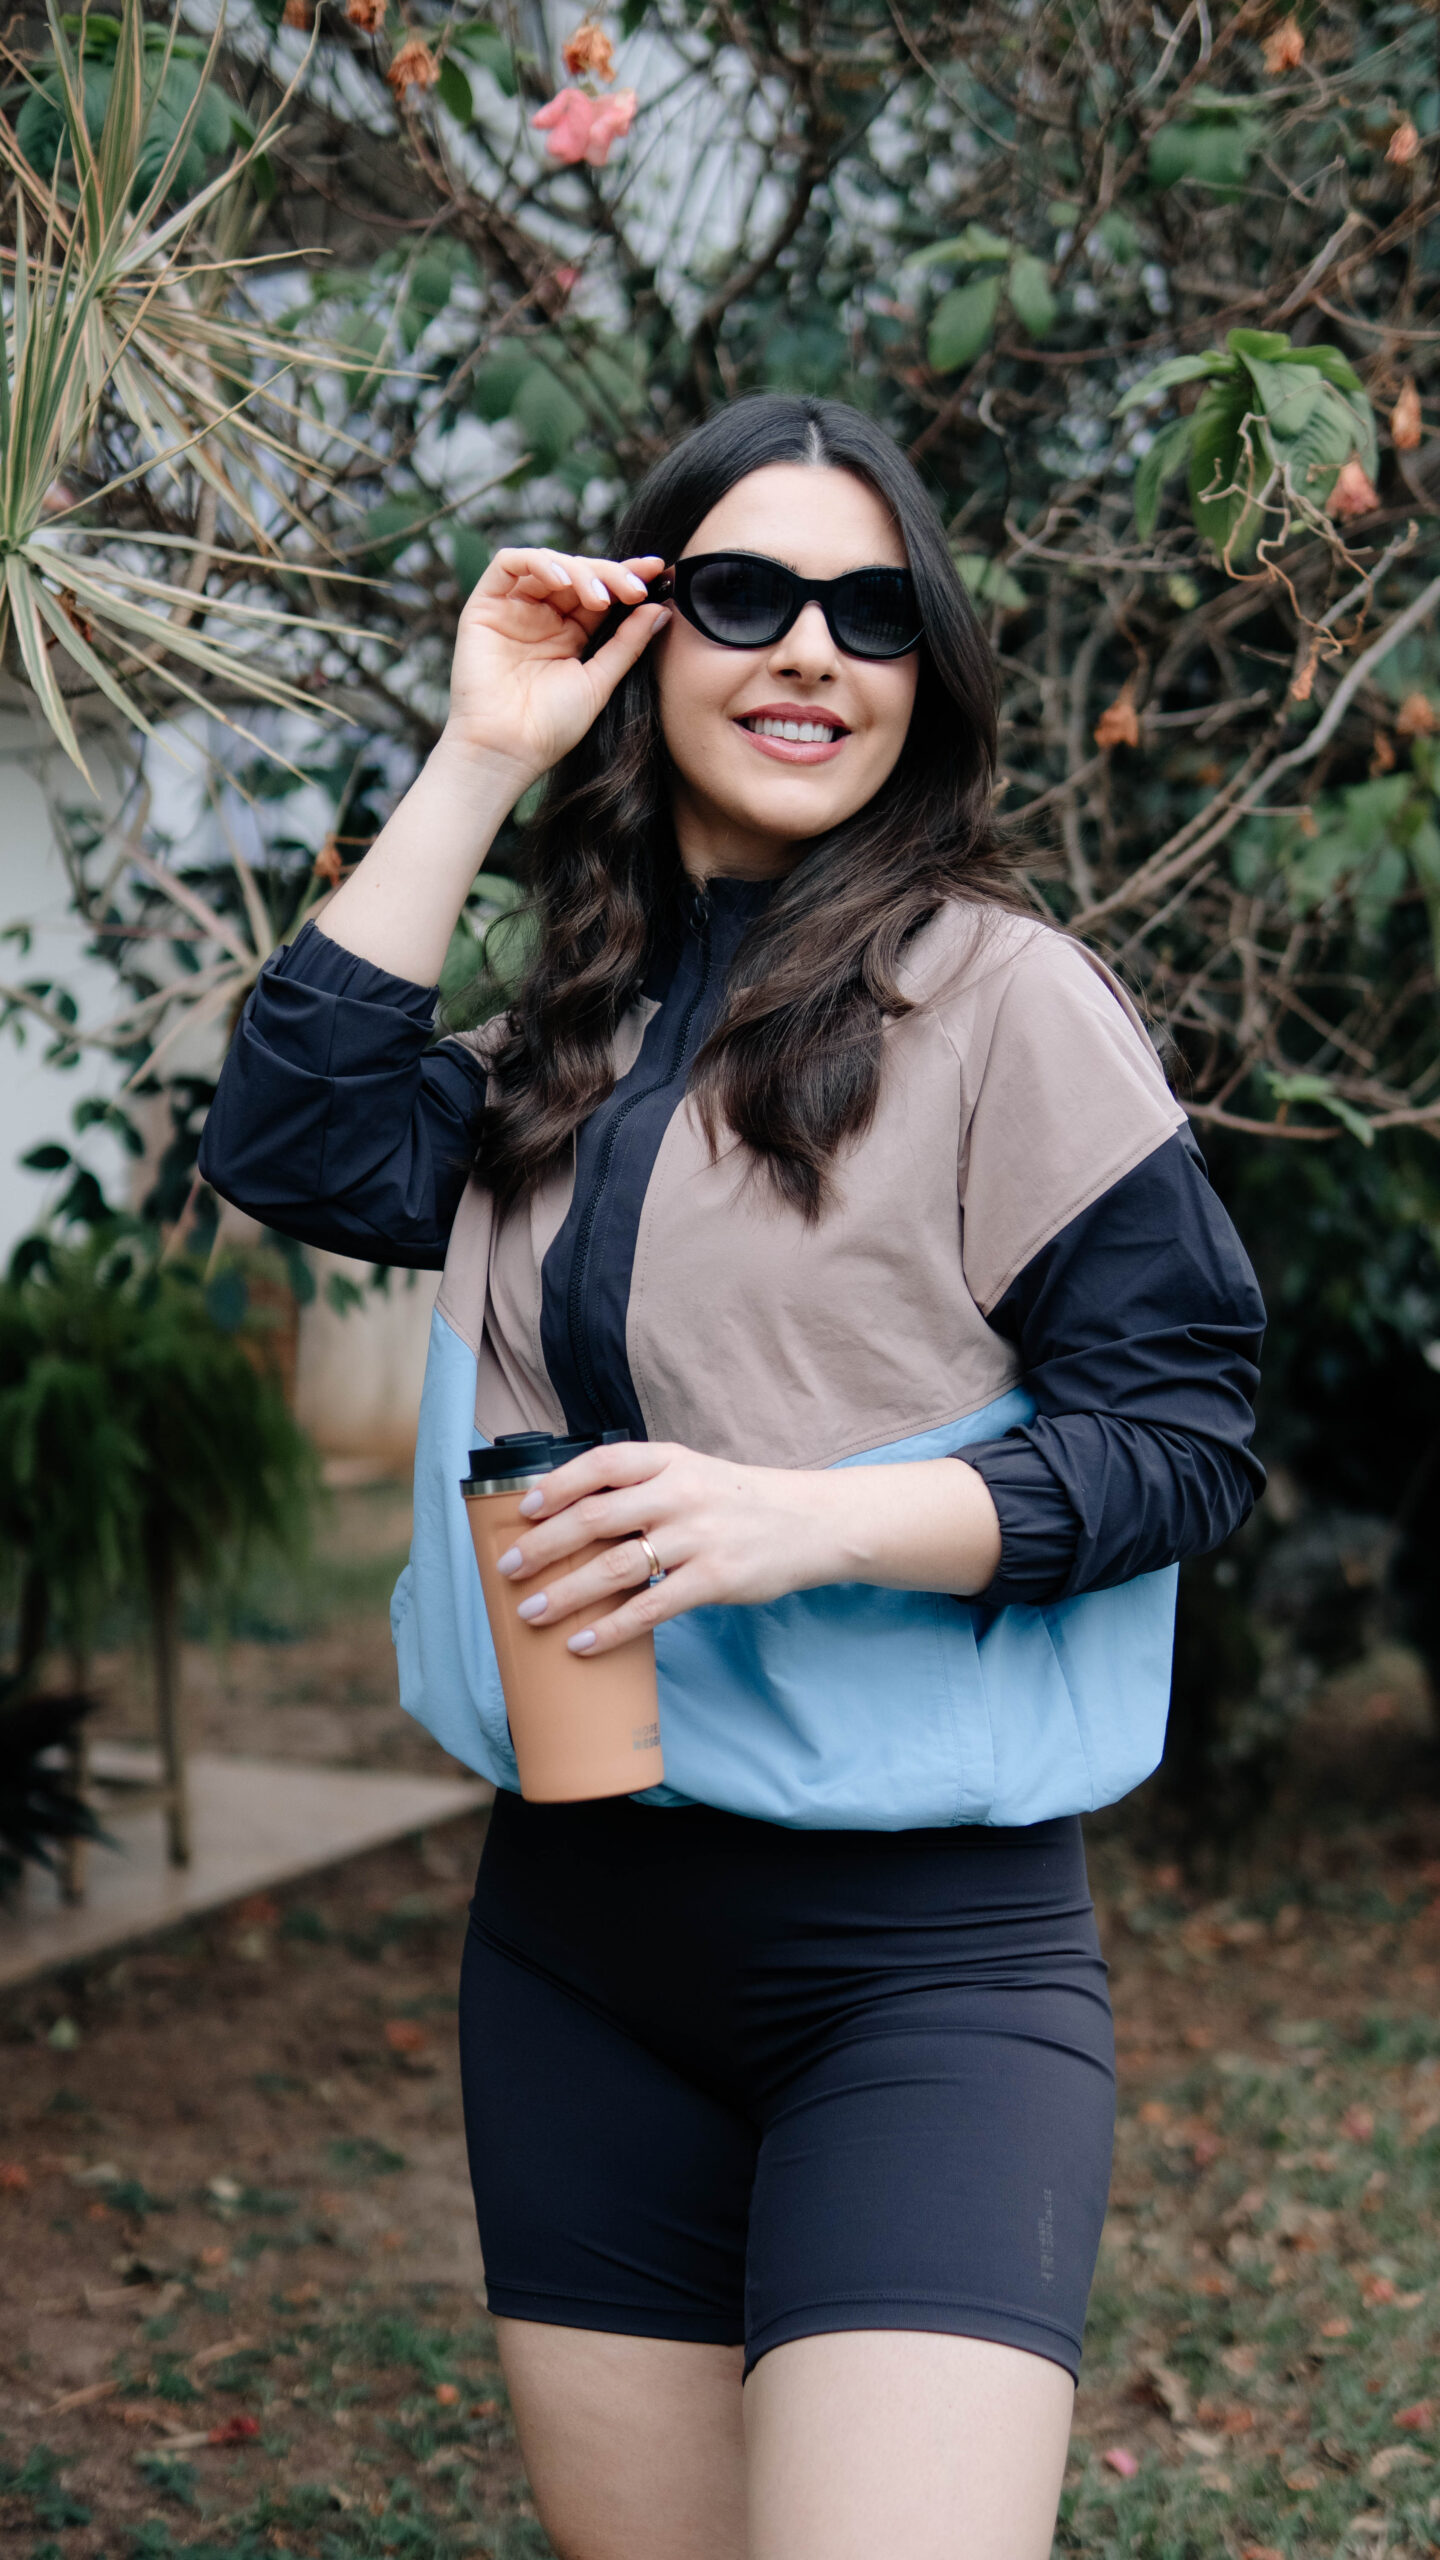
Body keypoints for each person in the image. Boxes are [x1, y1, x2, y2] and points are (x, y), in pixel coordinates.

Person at [201, 393, 1265, 2560]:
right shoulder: (566, 1035)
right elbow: (291, 1138)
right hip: (575, 1956)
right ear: (646, 635)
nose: (810, 651)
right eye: (746, 594)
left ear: (927, 669)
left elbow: (1184, 1440)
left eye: (872, 612)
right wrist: (484, 746)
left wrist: (804, 1522)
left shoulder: (1007, 1004)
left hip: (927, 1971)